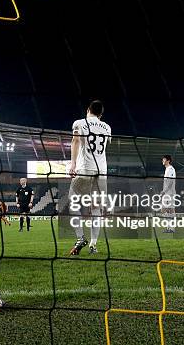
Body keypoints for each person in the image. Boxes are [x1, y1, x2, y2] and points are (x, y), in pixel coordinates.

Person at [68, 100, 111, 255]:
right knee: (96, 208)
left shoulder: (80, 122)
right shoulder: (107, 127)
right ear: (101, 114)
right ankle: (93, 244)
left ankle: (80, 238)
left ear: (88, 110)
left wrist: (72, 164)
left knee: (72, 201)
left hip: (85, 169)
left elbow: (76, 141)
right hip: (102, 173)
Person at [161, 155, 177, 233]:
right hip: (167, 193)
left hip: (170, 193)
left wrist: (164, 191)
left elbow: (170, 182)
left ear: (168, 160)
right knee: (164, 210)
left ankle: (172, 228)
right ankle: (169, 227)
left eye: (164, 159)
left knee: (170, 210)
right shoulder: (167, 169)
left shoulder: (171, 169)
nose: (162, 161)